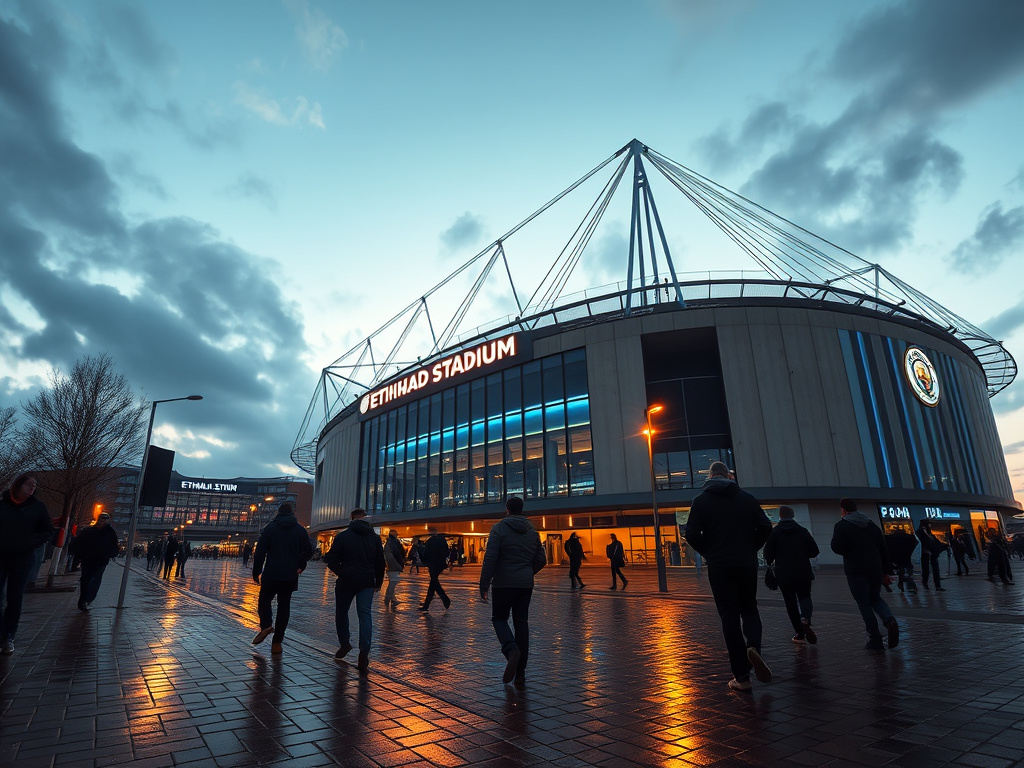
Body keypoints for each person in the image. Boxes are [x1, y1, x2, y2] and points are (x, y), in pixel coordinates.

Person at [685, 461, 773, 692]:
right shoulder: (747, 498)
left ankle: (741, 676)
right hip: (746, 562)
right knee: (749, 607)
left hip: (720, 564)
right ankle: (753, 646)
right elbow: (765, 526)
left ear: (711, 475)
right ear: (728, 476)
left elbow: (691, 534)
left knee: (729, 616)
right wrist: (751, 547)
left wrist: (710, 552)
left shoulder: (701, 501)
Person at [479, 496, 546, 685]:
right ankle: (521, 675)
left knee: (499, 618)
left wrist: (484, 585)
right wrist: (526, 572)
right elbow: (541, 559)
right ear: (522, 509)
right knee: (521, 624)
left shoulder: (499, 528)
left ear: (507, 509)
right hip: (525, 584)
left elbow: (490, 558)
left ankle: (511, 650)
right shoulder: (532, 531)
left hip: (503, 583)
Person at [831, 499, 899, 651]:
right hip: (875, 568)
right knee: (875, 598)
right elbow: (883, 548)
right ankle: (889, 620)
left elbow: (837, 547)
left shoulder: (841, 526)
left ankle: (875, 639)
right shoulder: (871, 525)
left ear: (843, 510)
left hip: (856, 570)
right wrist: (886, 570)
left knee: (864, 603)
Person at [0, 473, 57, 655]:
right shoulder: (2, 505)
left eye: (34, 487)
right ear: (18, 486)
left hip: (23, 558)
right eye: (29, 486)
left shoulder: (38, 507)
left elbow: (48, 530)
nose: (32, 489)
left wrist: (31, 542)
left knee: (14, 597)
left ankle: (8, 636)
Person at [324, 508, 385, 671]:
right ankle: (364, 650)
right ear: (365, 519)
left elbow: (331, 559)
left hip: (346, 580)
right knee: (365, 614)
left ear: (351, 519)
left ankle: (345, 643)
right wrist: (378, 580)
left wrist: (341, 571)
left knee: (341, 612)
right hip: (367, 580)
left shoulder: (343, 536)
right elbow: (380, 561)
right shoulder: (374, 537)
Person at [251, 502, 314, 654]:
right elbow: (308, 551)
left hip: (271, 573)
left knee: (264, 600)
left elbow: (260, 552)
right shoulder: (300, 530)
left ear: (278, 512)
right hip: (290, 575)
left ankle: (266, 625)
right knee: (284, 607)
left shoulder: (270, 528)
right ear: (292, 513)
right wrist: (300, 565)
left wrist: (256, 571)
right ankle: (277, 642)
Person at [763, 505, 819, 644]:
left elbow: (768, 555)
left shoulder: (775, 533)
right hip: (803, 571)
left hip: (784, 573)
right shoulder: (802, 531)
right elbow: (814, 551)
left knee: (790, 602)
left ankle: (799, 633)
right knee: (805, 596)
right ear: (792, 515)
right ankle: (805, 618)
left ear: (780, 516)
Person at [70, 512, 119, 611]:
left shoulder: (110, 532)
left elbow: (114, 546)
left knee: (95, 579)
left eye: (106, 519)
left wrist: (111, 554)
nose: (103, 521)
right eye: (102, 518)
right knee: (86, 579)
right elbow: (79, 543)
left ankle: (88, 599)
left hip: (101, 560)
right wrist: (79, 556)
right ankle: (83, 600)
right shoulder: (90, 531)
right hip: (88, 559)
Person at [419, 528, 452, 611]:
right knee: (433, 584)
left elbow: (425, 555)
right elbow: (447, 553)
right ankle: (427, 605)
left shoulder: (430, 542)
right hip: (440, 564)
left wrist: (418, 548)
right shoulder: (442, 540)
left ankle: (445, 599)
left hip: (433, 565)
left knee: (434, 583)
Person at [885, 527, 919, 593]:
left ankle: (902, 584)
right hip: (906, 557)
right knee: (907, 572)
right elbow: (915, 542)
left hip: (898, 558)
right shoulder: (909, 538)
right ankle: (909, 585)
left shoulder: (891, 538)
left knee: (902, 570)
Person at [916, 520, 947, 591]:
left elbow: (936, 542)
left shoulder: (930, 534)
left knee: (935, 570)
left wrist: (944, 545)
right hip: (925, 554)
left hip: (933, 554)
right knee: (926, 570)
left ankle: (937, 586)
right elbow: (920, 543)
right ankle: (925, 582)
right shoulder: (920, 533)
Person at [383, 529, 406, 607]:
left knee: (392, 582)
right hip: (394, 566)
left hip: (395, 565)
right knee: (393, 582)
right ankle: (388, 599)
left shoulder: (393, 542)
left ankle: (393, 600)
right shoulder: (392, 543)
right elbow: (390, 556)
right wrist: (397, 565)